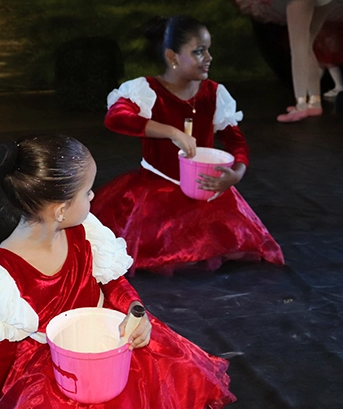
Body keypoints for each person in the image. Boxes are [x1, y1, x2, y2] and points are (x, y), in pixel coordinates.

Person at [0, 134, 235, 409]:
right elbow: (0, 356)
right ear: (60, 209)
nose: (93, 197)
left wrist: (136, 311)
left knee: (157, 378)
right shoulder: (6, 277)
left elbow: (113, 283)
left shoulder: (85, 229)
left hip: (106, 335)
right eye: (88, 192)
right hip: (58, 362)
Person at [91, 15, 284, 272]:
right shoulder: (147, 90)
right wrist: (171, 132)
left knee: (225, 240)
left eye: (208, 50)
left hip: (203, 190)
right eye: (199, 51)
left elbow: (236, 141)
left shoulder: (214, 94)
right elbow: (116, 118)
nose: (209, 58)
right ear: (172, 57)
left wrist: (236, 173)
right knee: (160, 248)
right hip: (156, 191)